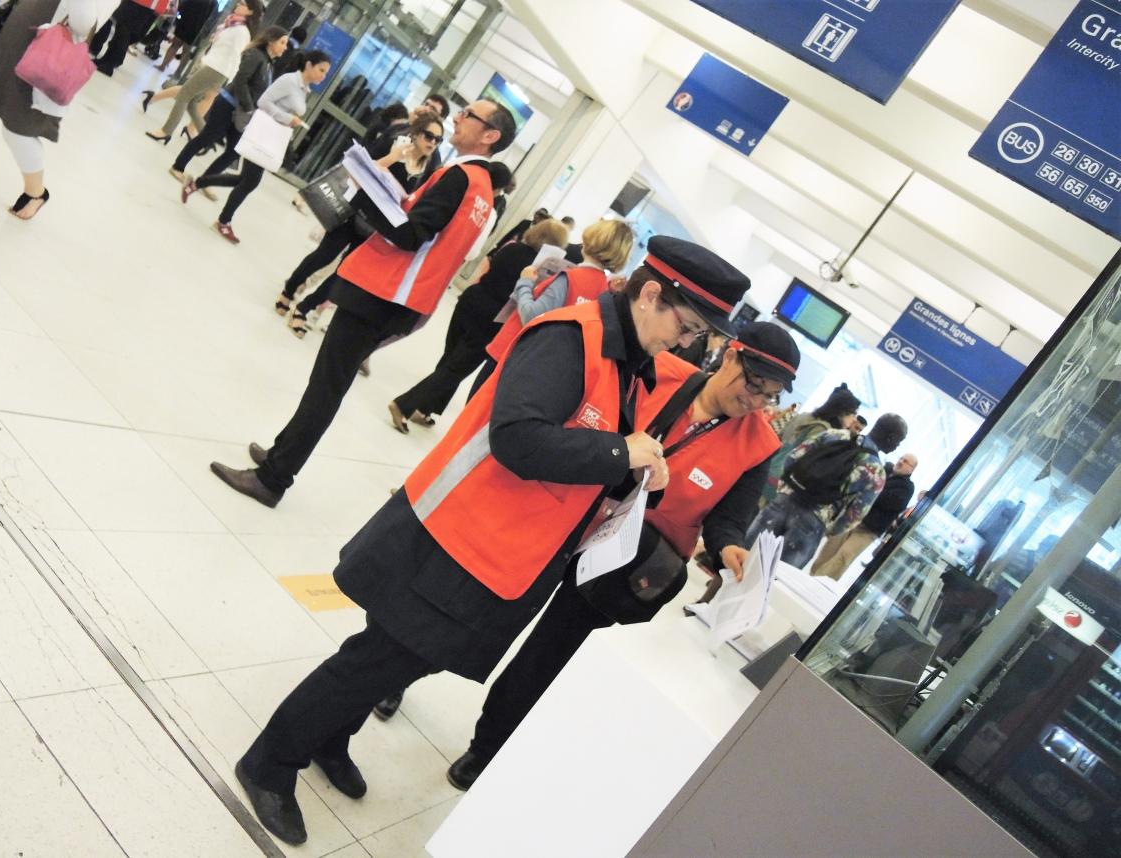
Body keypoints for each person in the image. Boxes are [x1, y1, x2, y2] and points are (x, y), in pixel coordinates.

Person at [229, 237, 745, 845]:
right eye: (685, 327)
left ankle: (328, 737)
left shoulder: (626, 364)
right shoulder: (570, 338)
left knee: (409, 656)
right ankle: (269, 761)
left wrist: (630, 469)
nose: (684, 344)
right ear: (652, 294)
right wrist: (617, 451)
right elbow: (518, 437)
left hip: (501, 553)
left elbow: (582, 437)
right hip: (455, 537)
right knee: (380, 658)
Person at [429, 323, 800, 790]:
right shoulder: (657, 373)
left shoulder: (759, 444)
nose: (755, 402)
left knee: (547, 657)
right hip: (566, 517)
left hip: (625, 561)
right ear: (730, 356)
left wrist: (729, 547)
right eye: (752, 385)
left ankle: (486, 749)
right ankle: (406, 673)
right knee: (482, 608)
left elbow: (729, 517)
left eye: (768, 396)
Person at [209, 99, 516, 507]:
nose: (457, 118)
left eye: (468, 116)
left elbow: (411, 234)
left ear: (490, 135)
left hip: (384, 292)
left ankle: (273, 478)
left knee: (326, 386)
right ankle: (281, 452)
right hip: (401, 298)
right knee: (329, 383)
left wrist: (368, 192)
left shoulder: (461, 177)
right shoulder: (482, 190)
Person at [0, 0, 119, 218]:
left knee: (18, 129)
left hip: (41, 55)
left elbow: (83, 22)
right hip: (12, 38)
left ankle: (36, 192)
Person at [386, 217, 570, 431]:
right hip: (492, 318)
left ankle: (425, 409)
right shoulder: (538, 269)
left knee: (450, 359)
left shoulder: (512, 248)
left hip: (470, 301)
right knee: (456, 368)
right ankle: (404, 405)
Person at [277, 109, 446, 330]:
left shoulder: (430, 167)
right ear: (416, 132)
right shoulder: (396, 144)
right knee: (323, 256)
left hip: (379, 226)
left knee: (344, 271)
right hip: (356, 211)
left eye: (438, 139)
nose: (432, 143)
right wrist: (392, 158)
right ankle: (289, 290)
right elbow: (364, 165)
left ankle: (305, 308)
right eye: (429, 136)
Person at [469, 219, 638, 397]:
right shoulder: (603, 292)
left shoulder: (570, 278)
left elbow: (531, 315)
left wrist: (525, 282)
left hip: (510, 352)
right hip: (536, 364)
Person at [181, 51, 330, 244]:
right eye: (321, 70)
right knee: (250, 182)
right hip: (262, 134)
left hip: (272, 138)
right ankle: (223, 221)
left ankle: (198, 184)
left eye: (326, 73)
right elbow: (263, 102)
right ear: (308, 65)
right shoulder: (289, 81)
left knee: (245, 180)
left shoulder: (303, 88)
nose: (323, 75)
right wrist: (286, 118)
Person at [747, 412, 908, 568]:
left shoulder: (835, 435)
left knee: (743, 558)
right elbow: (854, 515)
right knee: (774, 577)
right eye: (899, 441)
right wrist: (828, 529)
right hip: (814, 521)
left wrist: (785, 489)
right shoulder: (876, 472)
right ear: (890, 437)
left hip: (785, 500)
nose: (897, 446)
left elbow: (793, 458)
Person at [168, 26, 288, 182]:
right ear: (271, 41)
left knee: (234, 151)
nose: (285, 48)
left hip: (241, 111)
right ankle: (178, 166)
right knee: (206, 138)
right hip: (228, 105)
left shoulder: (268, 64)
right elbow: (240, 81)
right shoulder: (256, 56)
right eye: (282, 42)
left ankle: (206, 180)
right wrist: (249, 106)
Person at [142, 0, 261, 142]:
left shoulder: (242, 31)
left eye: (243, 4)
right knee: (191, 102)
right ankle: (205, 138)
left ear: (250, 11)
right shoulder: (234, 24)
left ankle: (166, 131)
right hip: (212, 66)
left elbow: (236, 57)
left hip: (217, 70)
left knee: (184, 95)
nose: (238, 5)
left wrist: (227, 78)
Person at [811, 452, 916, 579]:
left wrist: (872, 490)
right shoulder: (884, 470)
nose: (901, 462)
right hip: (852, 517)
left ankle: (820, 580)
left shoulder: (907, 487)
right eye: (901, 458)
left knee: (845, 555)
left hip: (869, 530)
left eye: (905, 462)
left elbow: (891, 502)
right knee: (830, 548)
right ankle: (812, 575)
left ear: (911, 469)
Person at [760, 382, 862, 505]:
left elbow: (780, 436)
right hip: (781, 480)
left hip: (768, 468)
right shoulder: (824, 431)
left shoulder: (804, 416)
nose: (854, 419)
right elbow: (804, 462)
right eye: (853, 413)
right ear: (841, 412)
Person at [91, 0, 169, 76]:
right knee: (123, 28)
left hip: (143, 3)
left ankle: (110, 63)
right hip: (147, 4)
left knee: (124, 29)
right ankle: (107, 59)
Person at [154, 0, 212, 71]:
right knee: (186, 51)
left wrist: (178, 19)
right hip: (196, 29)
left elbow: (182, 7)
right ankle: (177, 73)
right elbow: (211, 19)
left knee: (175, 46)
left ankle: (163, 66)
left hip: (184, 24)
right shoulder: (213, 3)